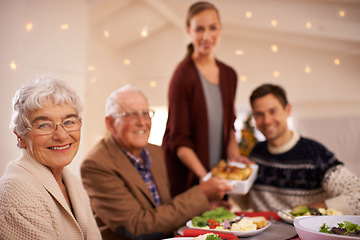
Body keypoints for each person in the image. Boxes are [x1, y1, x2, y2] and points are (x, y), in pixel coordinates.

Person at [80, 85, 233, 240]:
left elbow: (167, 208)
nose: (142, 122)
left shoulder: (156, 151)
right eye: (131, 115)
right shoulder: (96, 164)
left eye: (145, 113)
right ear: (110, 123)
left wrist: (205, 207)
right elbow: (137, 226)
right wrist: (202, 194)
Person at [162, 1, 248, 197]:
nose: (206, 36)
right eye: (199, 29)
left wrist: (234, 156)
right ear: (188, 30)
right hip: (189, 178)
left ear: (220, 28)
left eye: (212, 28)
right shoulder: (183, 76)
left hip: (218, 176)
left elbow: (229, 127)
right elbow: (179, 139)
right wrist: (206, 178)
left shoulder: (229, 74)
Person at [0, 76, 101, 239]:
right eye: (44, 125)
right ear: (20, 136)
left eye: (69, 122)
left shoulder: (71, 181)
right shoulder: (16, 193)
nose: (61, 135)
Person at [247, 83, 360, 215]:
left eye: (273, 111)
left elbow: (357, 196)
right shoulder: (256, 153)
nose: (266, 121)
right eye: (259, 114)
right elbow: (245, 201)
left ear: (288, 110)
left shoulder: (315, 154)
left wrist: (307, 210)